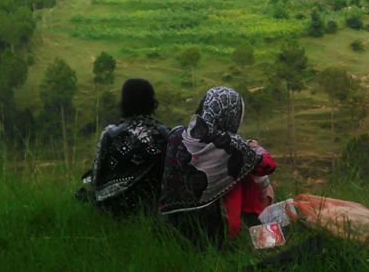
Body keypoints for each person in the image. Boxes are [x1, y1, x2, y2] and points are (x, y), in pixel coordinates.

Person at [157, 86, 276, 243]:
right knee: (251, 175)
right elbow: (268, 165)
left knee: (243, 166)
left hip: (168, 227)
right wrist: (253, 146)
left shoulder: (177, 134)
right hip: (213, 234)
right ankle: (258, 235)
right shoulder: (231, 144)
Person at [79, 78, 170, 216]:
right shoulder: (166, 133)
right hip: (153, 208)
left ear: (124, 102)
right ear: (151, 102)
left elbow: (98, 176)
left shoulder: (110, 133)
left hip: (112, 208)